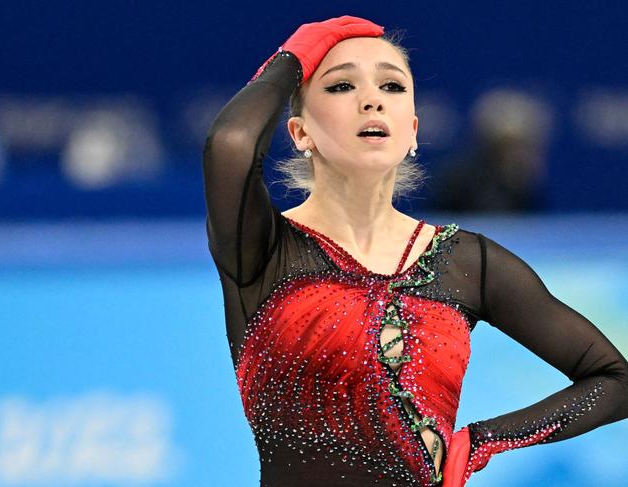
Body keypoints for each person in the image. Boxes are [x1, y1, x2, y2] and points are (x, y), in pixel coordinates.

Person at [202, 15, 628, 486]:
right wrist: (293, 57)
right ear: (301, 133)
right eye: (341, 86)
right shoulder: (264, 248)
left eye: (391, 86)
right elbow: (231, 143)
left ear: (413, 131)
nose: (371, 100)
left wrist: (485, 439)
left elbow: (615, 381)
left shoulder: (467, 262)